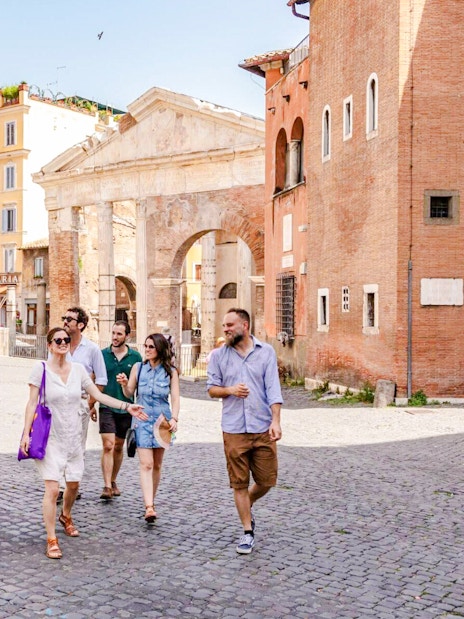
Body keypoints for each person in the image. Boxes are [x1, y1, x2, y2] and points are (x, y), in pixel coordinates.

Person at [20, 327, 147, 560]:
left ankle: (65, 515)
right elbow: (31, 404)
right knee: (52, 488)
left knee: (74, 485)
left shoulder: (78, 370)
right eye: (57, 340)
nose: (62, 343)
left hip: (73, 436)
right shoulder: (41, 369)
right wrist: (26, 434)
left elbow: (99, 396)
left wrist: (126, 406)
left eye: (66, 340)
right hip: (50, 438)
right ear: (49, 345)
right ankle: (51, 539)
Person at [207, 308, 283, 554]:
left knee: (266, 481)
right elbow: (211, 389)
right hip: (234, 428)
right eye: (224, 326)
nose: (225, 329)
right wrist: (229, 390)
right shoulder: (219, 356)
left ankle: (245, 506)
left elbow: (273, 388)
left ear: (245, 325)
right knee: (239, 483)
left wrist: (276, 421)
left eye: (230, 325)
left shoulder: (266, 353)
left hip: (262, 426)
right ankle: (247, 532)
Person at [117, 333, 180, 523]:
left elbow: (175, 397)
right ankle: (149, 506)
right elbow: (130, 393)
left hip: (162, 421)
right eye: (146, 346)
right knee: (146, 464)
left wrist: (175, 418)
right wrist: (124, 384)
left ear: (159, 349)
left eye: (151, 346)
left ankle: (151, 499)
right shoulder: (139, 368)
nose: (147, 349)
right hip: (142, 419)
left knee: (157, 464)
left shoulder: (171, 372)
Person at [57, 306, 108, 502]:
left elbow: (101, 380)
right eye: (65, 317)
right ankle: (61, 486)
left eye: (69, 319)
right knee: (59, 444)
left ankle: (72, 485)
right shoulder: (59, 345)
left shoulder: (92, 349)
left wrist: (90, 403)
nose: (65, 321)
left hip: (80, 403)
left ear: (80, 325)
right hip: (59, 403)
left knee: (77, 446)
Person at [99, 320, 142, 500]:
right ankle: (107, 485)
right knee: (108, 445)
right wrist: (93, 403)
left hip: (126, 408)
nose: (115, 337)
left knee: (118, 446)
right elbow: (96, 380)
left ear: (127, 336)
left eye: (119, 334)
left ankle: (114, 480)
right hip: (105, 405)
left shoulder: (136, 358)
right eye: (113, 333)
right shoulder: (101, 355)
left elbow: (139, 384)